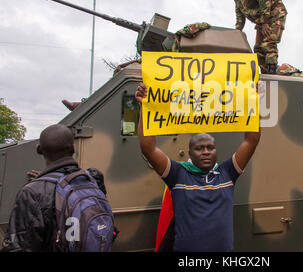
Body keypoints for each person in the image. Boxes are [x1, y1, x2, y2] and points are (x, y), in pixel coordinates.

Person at [135, 82, 261, 251]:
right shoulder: (178, 175)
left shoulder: (227, 173)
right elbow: (148, 148)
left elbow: (251, 140)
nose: (206, 152)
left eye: (210, 147)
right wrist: (145, 106)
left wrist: (253, 102)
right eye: (199, 148)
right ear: (190, 153)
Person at [0, 124, 112, 252]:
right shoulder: (93, 179)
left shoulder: (32, 192)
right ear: (73, 148)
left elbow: (18, 246)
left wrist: (41, 183)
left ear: (39, 150)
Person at [219, 0, 287, 75]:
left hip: (274, 13)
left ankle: (272, 71)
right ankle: (266, 75)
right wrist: (237, 31)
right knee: (258, 49)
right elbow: (239, 12)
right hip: (261, 21)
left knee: (269, 43)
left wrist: (264, 22)